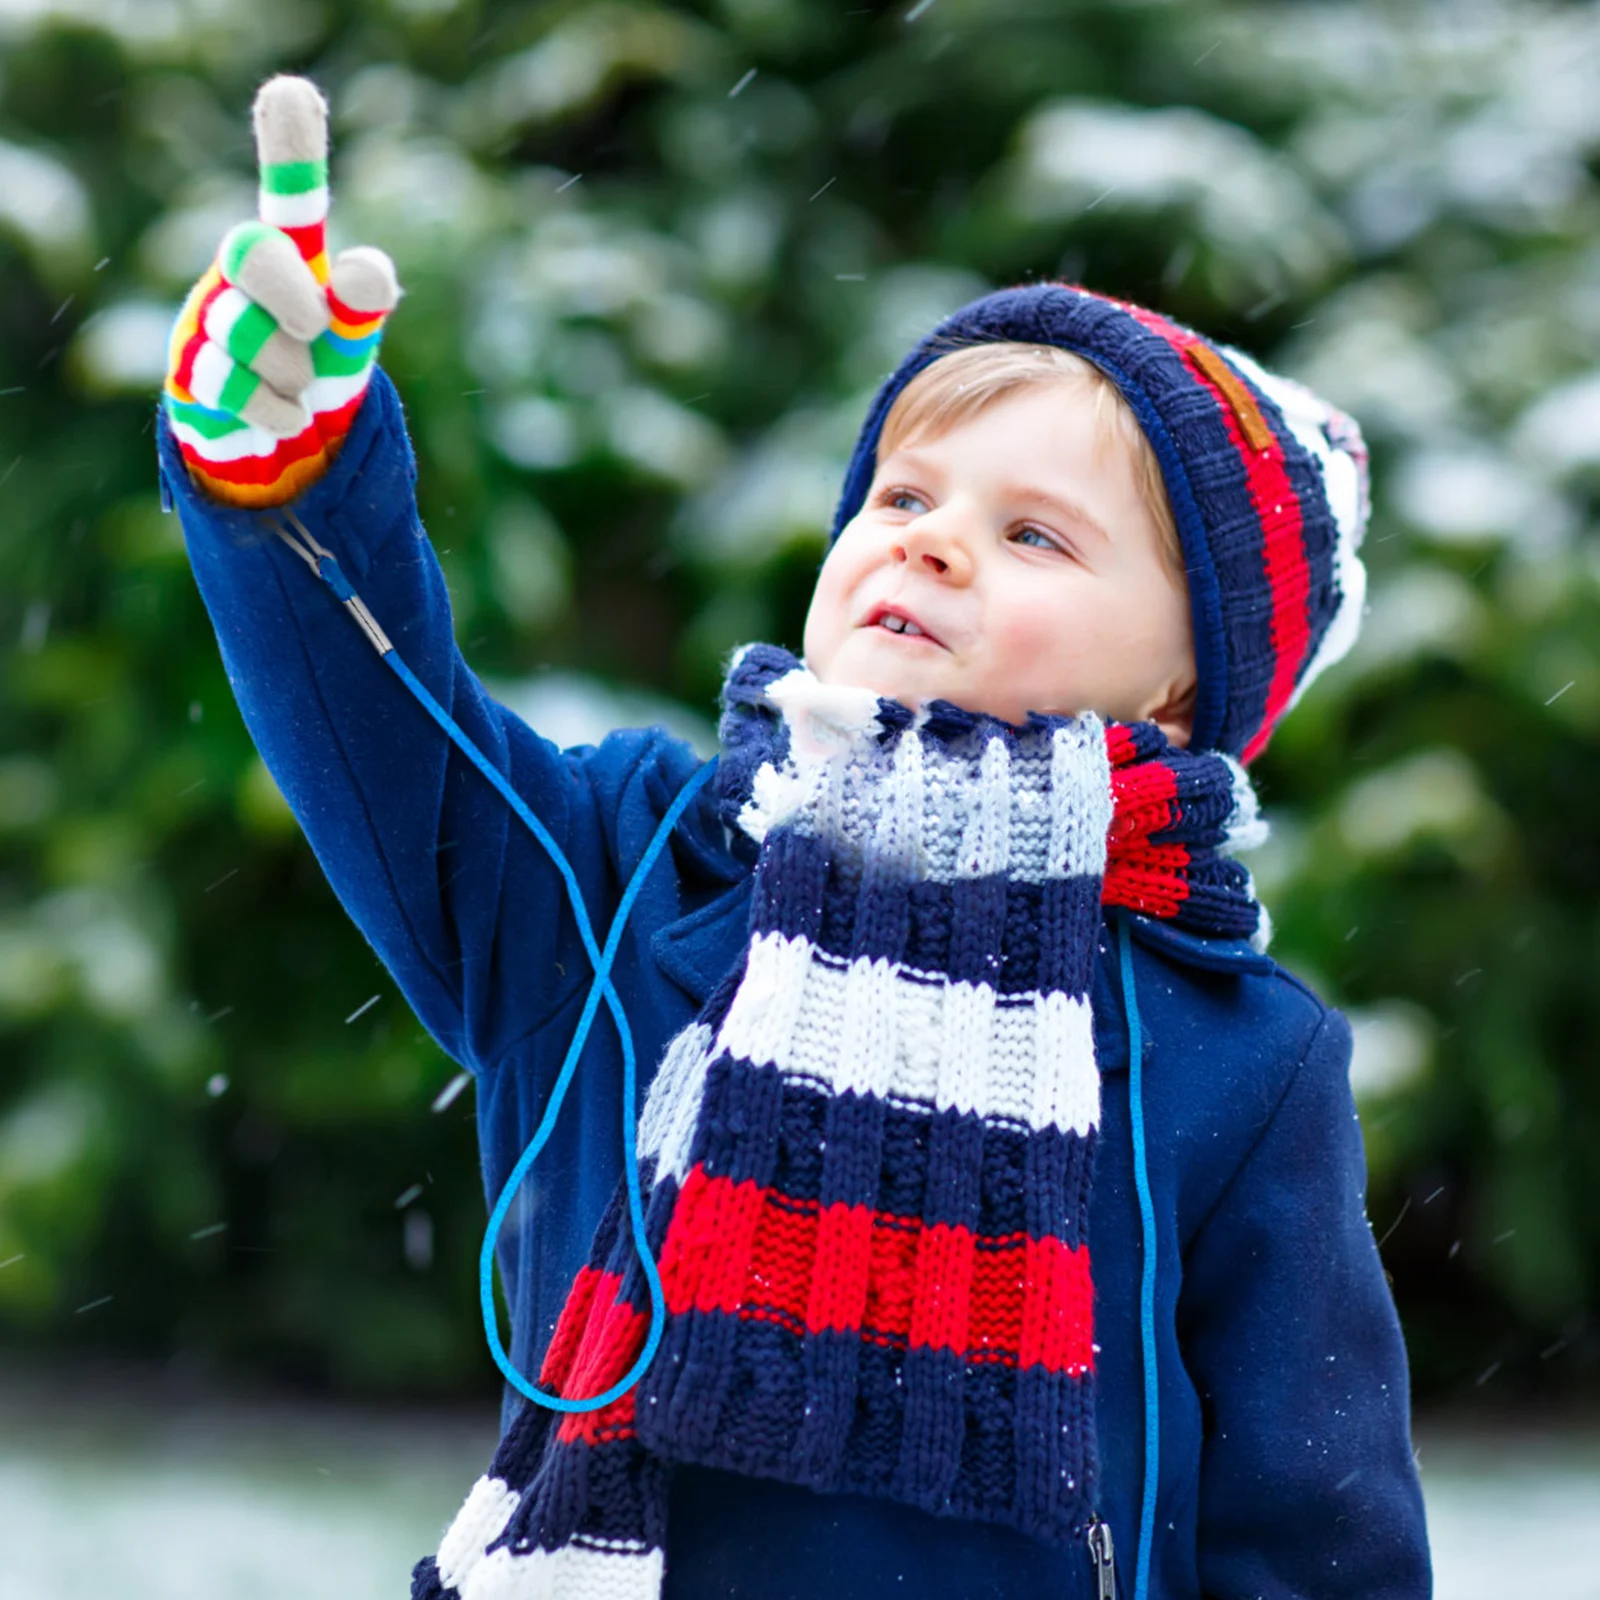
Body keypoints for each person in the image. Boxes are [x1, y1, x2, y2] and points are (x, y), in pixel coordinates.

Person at [158, 75, 1432, 1600]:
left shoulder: (1230, 1050)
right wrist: (294, 487)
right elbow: (382, 722)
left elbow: (1318, 1530)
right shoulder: (619, 876)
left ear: (1178, 687)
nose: (931, 535)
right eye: (903, 490)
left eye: (1035, 533)